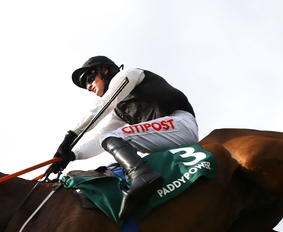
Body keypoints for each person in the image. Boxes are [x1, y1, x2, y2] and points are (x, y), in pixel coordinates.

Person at [53, 56, 198, 220]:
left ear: (104, 70)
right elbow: (99, 139)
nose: (88, 87)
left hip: (180, 124)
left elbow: (101, 107)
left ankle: (142, 176)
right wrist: (72, 155)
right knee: (111, 159)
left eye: (89, 79)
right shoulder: (119, 111)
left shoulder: (131, 74)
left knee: (112, 137)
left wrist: (68, 139)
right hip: (166, 136)